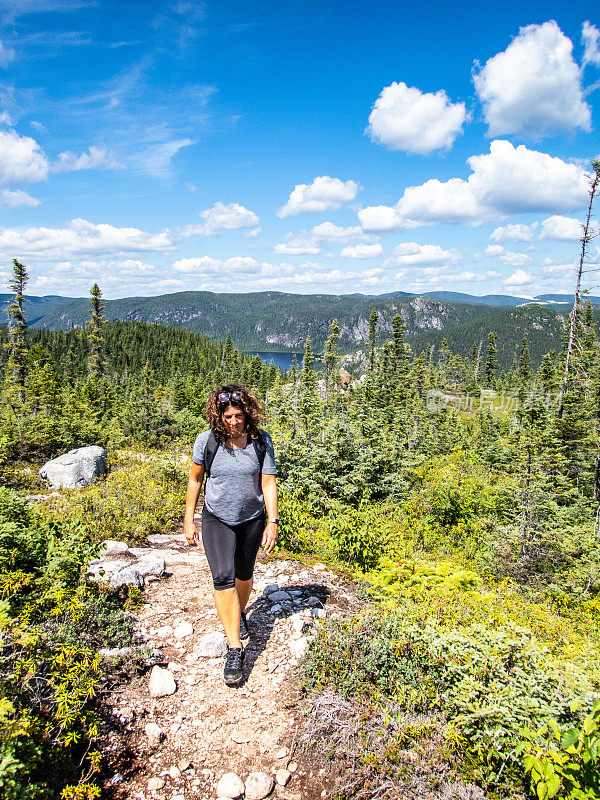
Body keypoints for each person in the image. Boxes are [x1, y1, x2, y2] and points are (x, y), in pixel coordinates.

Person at [184, 384, 278, 686]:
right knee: (223, 576)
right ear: (218, 414)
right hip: (217, 518)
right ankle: (235, 647)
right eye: (228, 416)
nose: (234, 422)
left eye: (238, 415)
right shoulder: (207, 441)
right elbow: (195, 479)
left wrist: (272, 521)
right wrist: (189, 519)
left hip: (251, 518)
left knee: (244, 575)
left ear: (247, 413)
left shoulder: (261, 441)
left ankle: (238, 612)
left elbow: (267, 482)